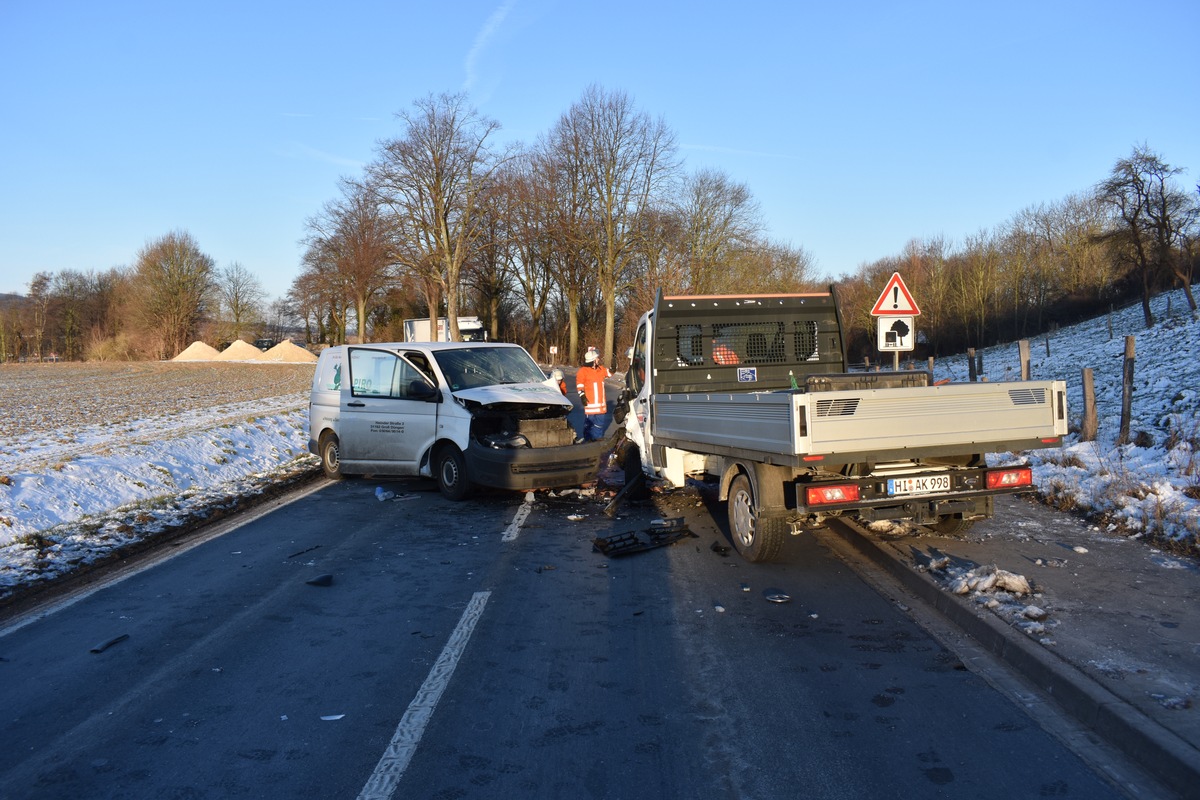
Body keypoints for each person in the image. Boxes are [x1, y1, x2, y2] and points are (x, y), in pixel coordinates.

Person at [576, 347, 612, 441]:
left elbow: (609, 373)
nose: (598, 359)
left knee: (599, 424)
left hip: (601, 405)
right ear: (593, 360)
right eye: (597, 358)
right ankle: (588, 441)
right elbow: (580, 384)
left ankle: (597, 440)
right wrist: (582, 395)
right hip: (590, 403)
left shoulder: (600, 369)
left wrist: (614, 368)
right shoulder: (583, 371)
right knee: (589, 424)